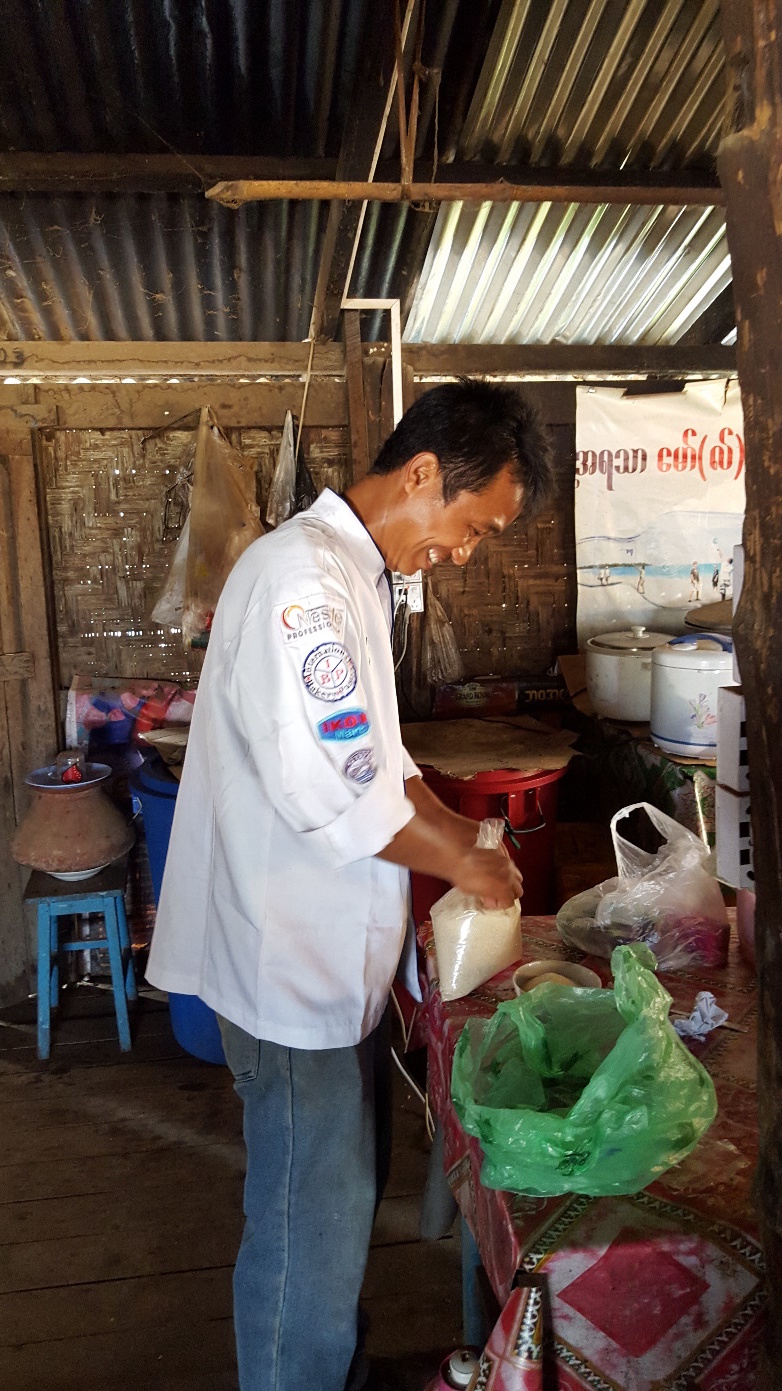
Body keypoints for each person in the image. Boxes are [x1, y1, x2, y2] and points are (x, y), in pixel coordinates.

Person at [146, 379, 554, 1391]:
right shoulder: (305, 587)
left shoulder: (352, 577)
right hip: (288, 965)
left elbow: (380, 756)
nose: (463, 553)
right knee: (306, 1219)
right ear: (422, 474)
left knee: (334, 1191)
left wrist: (466, 831)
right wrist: (465, 858)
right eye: (473, 525)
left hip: (324, 958)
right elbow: (346, 784)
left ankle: (326, 1364)